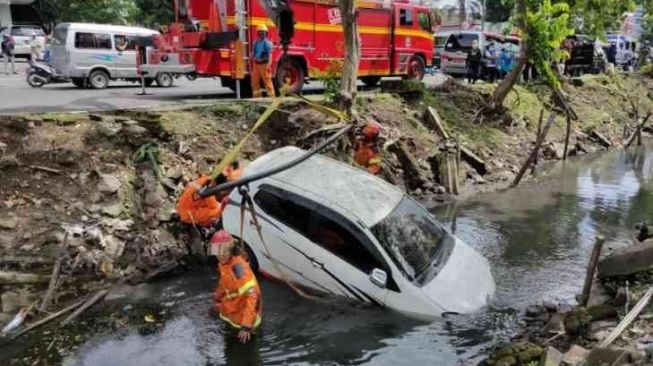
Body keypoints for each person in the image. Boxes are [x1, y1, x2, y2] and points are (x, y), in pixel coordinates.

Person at [212, 230, 262, 343]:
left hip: (243, 324)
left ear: (230, 250)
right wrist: (217, 297)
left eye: (222, 251)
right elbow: (225, 283)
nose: (219, 255)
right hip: (232, 314)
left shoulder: (238, 268)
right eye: (217, 251)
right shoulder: (224, 264)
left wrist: (246, 326)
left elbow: (254, 294)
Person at [251, 24, 275, 98]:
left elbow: (270, 55)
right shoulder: (256, 43)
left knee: (267, 82)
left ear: (266, 34)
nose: (261, 33)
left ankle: (272, 98)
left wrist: (268, 65)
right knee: (254, 82)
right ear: (258, 33)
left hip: (264, 64)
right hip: (256, 64)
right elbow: (253, 52)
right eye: (260, 32)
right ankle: (257, 98)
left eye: (263, 32)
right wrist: (251, 58)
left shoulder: (268, 43)